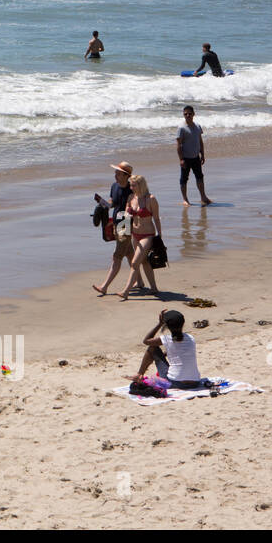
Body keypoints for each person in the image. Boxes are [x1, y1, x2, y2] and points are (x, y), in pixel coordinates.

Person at [132, 310, 206, 390]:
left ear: (166, 325)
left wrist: (159, 324)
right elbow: (179, 351)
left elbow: (146, 341)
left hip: (175, 383)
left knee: (152, 348)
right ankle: (140, 375)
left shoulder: (167, 339)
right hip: (195, 382)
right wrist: (163, 354)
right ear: (183, 324)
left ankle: (139, 375)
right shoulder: (191, 338)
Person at [93, 161, 135, 295]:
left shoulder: (131, 189)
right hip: (116, 222)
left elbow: (132, 209)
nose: (115, 175)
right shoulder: (114, 186)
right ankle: (139, 281)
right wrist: (103, 204)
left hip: (125, 223)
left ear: (125, 175)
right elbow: (112, 203)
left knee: (117, 256)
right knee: (129, 254)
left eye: (117, 173)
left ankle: (104, 287)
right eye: (115, 173)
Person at [119, 174, 161, 300]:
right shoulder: (131, 197)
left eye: (133, 185)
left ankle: (125, 291)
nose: (130, 187)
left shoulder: (151, 199)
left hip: (148, 235)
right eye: (130, 184)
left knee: (134, 262)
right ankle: (154, 288)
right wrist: (123, 232)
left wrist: (160, 235)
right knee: (144, 261)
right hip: (135, 234)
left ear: (140, 185)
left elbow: (156, 218)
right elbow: (126, 217)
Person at [176, 105, 212, 206]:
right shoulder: (181, 128)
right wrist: (181, 159)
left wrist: (203, 154)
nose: (187, 115)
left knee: (200, 177)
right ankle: (185, 199)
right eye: (185, 114)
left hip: (196, 157)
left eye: (189, 113)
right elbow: (178, 145)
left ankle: (203, 197)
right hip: (186, 158)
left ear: (193, 114)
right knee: (184, 179)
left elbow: (200, 141)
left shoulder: (197, 126)